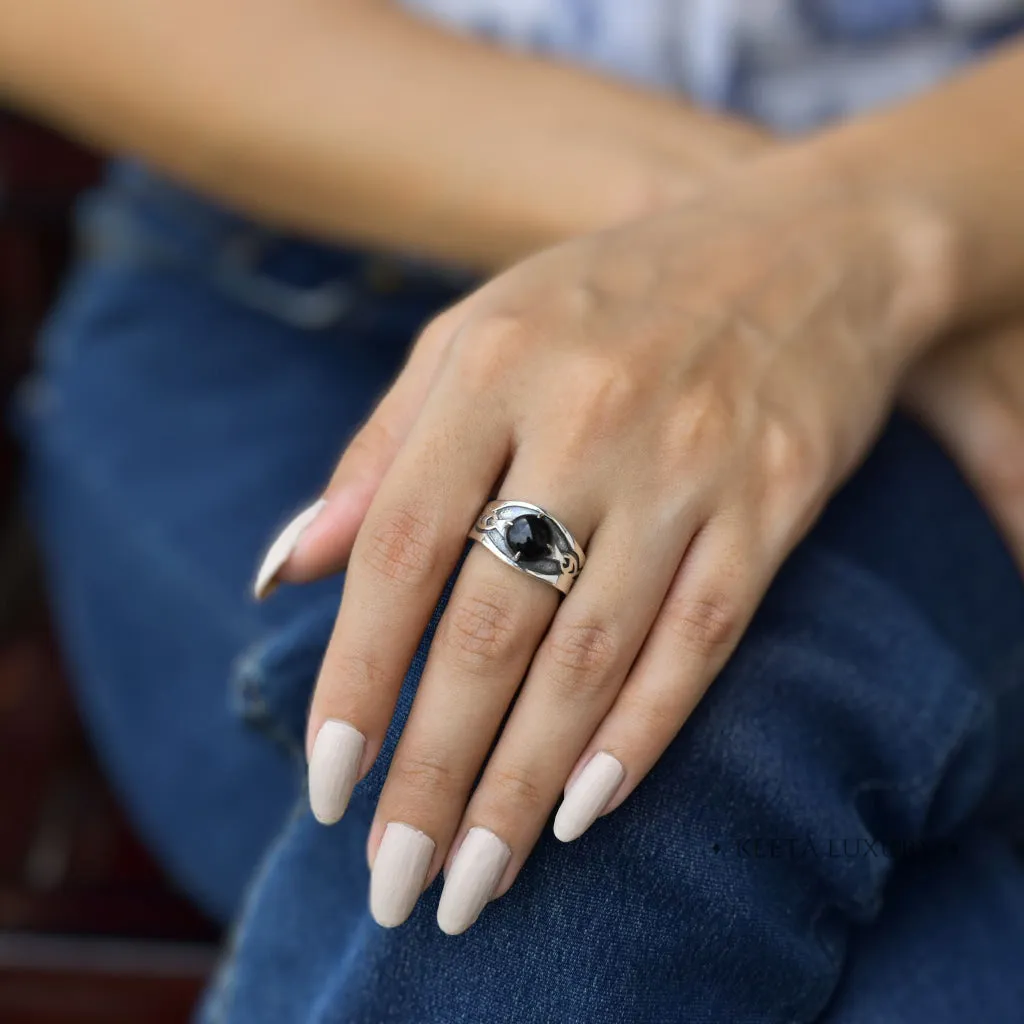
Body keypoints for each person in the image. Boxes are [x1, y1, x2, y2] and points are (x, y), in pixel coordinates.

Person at [4, 1, 1024, 1020]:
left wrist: (853, 250)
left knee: (627, 765)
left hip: (949, 311)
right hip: (280, 302)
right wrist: (764, 251)